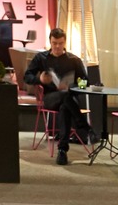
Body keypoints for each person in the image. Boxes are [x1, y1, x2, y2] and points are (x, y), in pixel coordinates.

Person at [24, 27, 96, 164]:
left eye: (60, 43)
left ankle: (62, 151)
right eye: (54, 43)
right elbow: (27, 76)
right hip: (50, 97)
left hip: (70, 98)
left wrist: (73, 86)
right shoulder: (41, 58)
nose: (57, 46)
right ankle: (85, 128)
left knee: (65, 105)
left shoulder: (73, 60)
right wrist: (40, 79)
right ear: (50, 42)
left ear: (65, 43)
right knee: (64, 98)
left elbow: (85, 81)